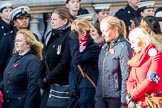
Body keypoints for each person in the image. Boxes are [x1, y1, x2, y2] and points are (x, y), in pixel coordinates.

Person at [95, 16, 133, 108]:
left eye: (105, 31)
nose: (103, 35)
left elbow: (126, 75)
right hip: (102, 95)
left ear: (115, 29)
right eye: (101, 31)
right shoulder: (104, 47)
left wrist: (124, 101)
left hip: (116, 97)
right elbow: (101, 73)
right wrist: (97, 94)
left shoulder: (123, 47)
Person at [0, 29, 43, 108]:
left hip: (22, 104)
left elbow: (33, 87)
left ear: (28, 44)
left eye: (19, 41)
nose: (16, 43)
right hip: (9, 104)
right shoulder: (14, 57)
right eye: (16, 40)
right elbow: (7, 78)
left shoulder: (32, 60)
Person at [37, 8, 71, 108]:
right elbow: (44, 58)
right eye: (51, 19)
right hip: (49, 84)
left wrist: (47, 79)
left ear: (65, 21)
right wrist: (40, 77)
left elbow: (64, 63)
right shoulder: (50, 35)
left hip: (61, 85)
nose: (52, 21)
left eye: (55, 19)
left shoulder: (69, 36)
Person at [0, 6, 39, 82]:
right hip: (12, 79)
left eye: (26, 18)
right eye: (21, 19)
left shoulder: (34, 37)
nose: (24, 20)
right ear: (15, 22)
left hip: (30, 77)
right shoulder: (8, 38)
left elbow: (39, 56)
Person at [67, 18, 99, 108]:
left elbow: (78, 59)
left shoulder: (93, 48)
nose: (72, 35)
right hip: (76, 87)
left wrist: (74, 41)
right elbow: (72, 69)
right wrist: (72, 87)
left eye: (74, 32)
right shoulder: (76, 47)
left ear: (83, 33)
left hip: (87, 87)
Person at [126, 27, 162, 107]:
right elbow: (130, 81)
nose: (131, 46)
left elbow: (151, 80)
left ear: (141, 39)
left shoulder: (156, 56)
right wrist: (131, 94)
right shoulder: (136, 57)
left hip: (153, 102)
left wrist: (133, 94)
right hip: (139, 102)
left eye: (133, 42)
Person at [0, 1, 15, 81]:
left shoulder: (14, 25)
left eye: (10, 10)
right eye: (6, 11)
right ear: (0, 14)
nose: (9, 12)